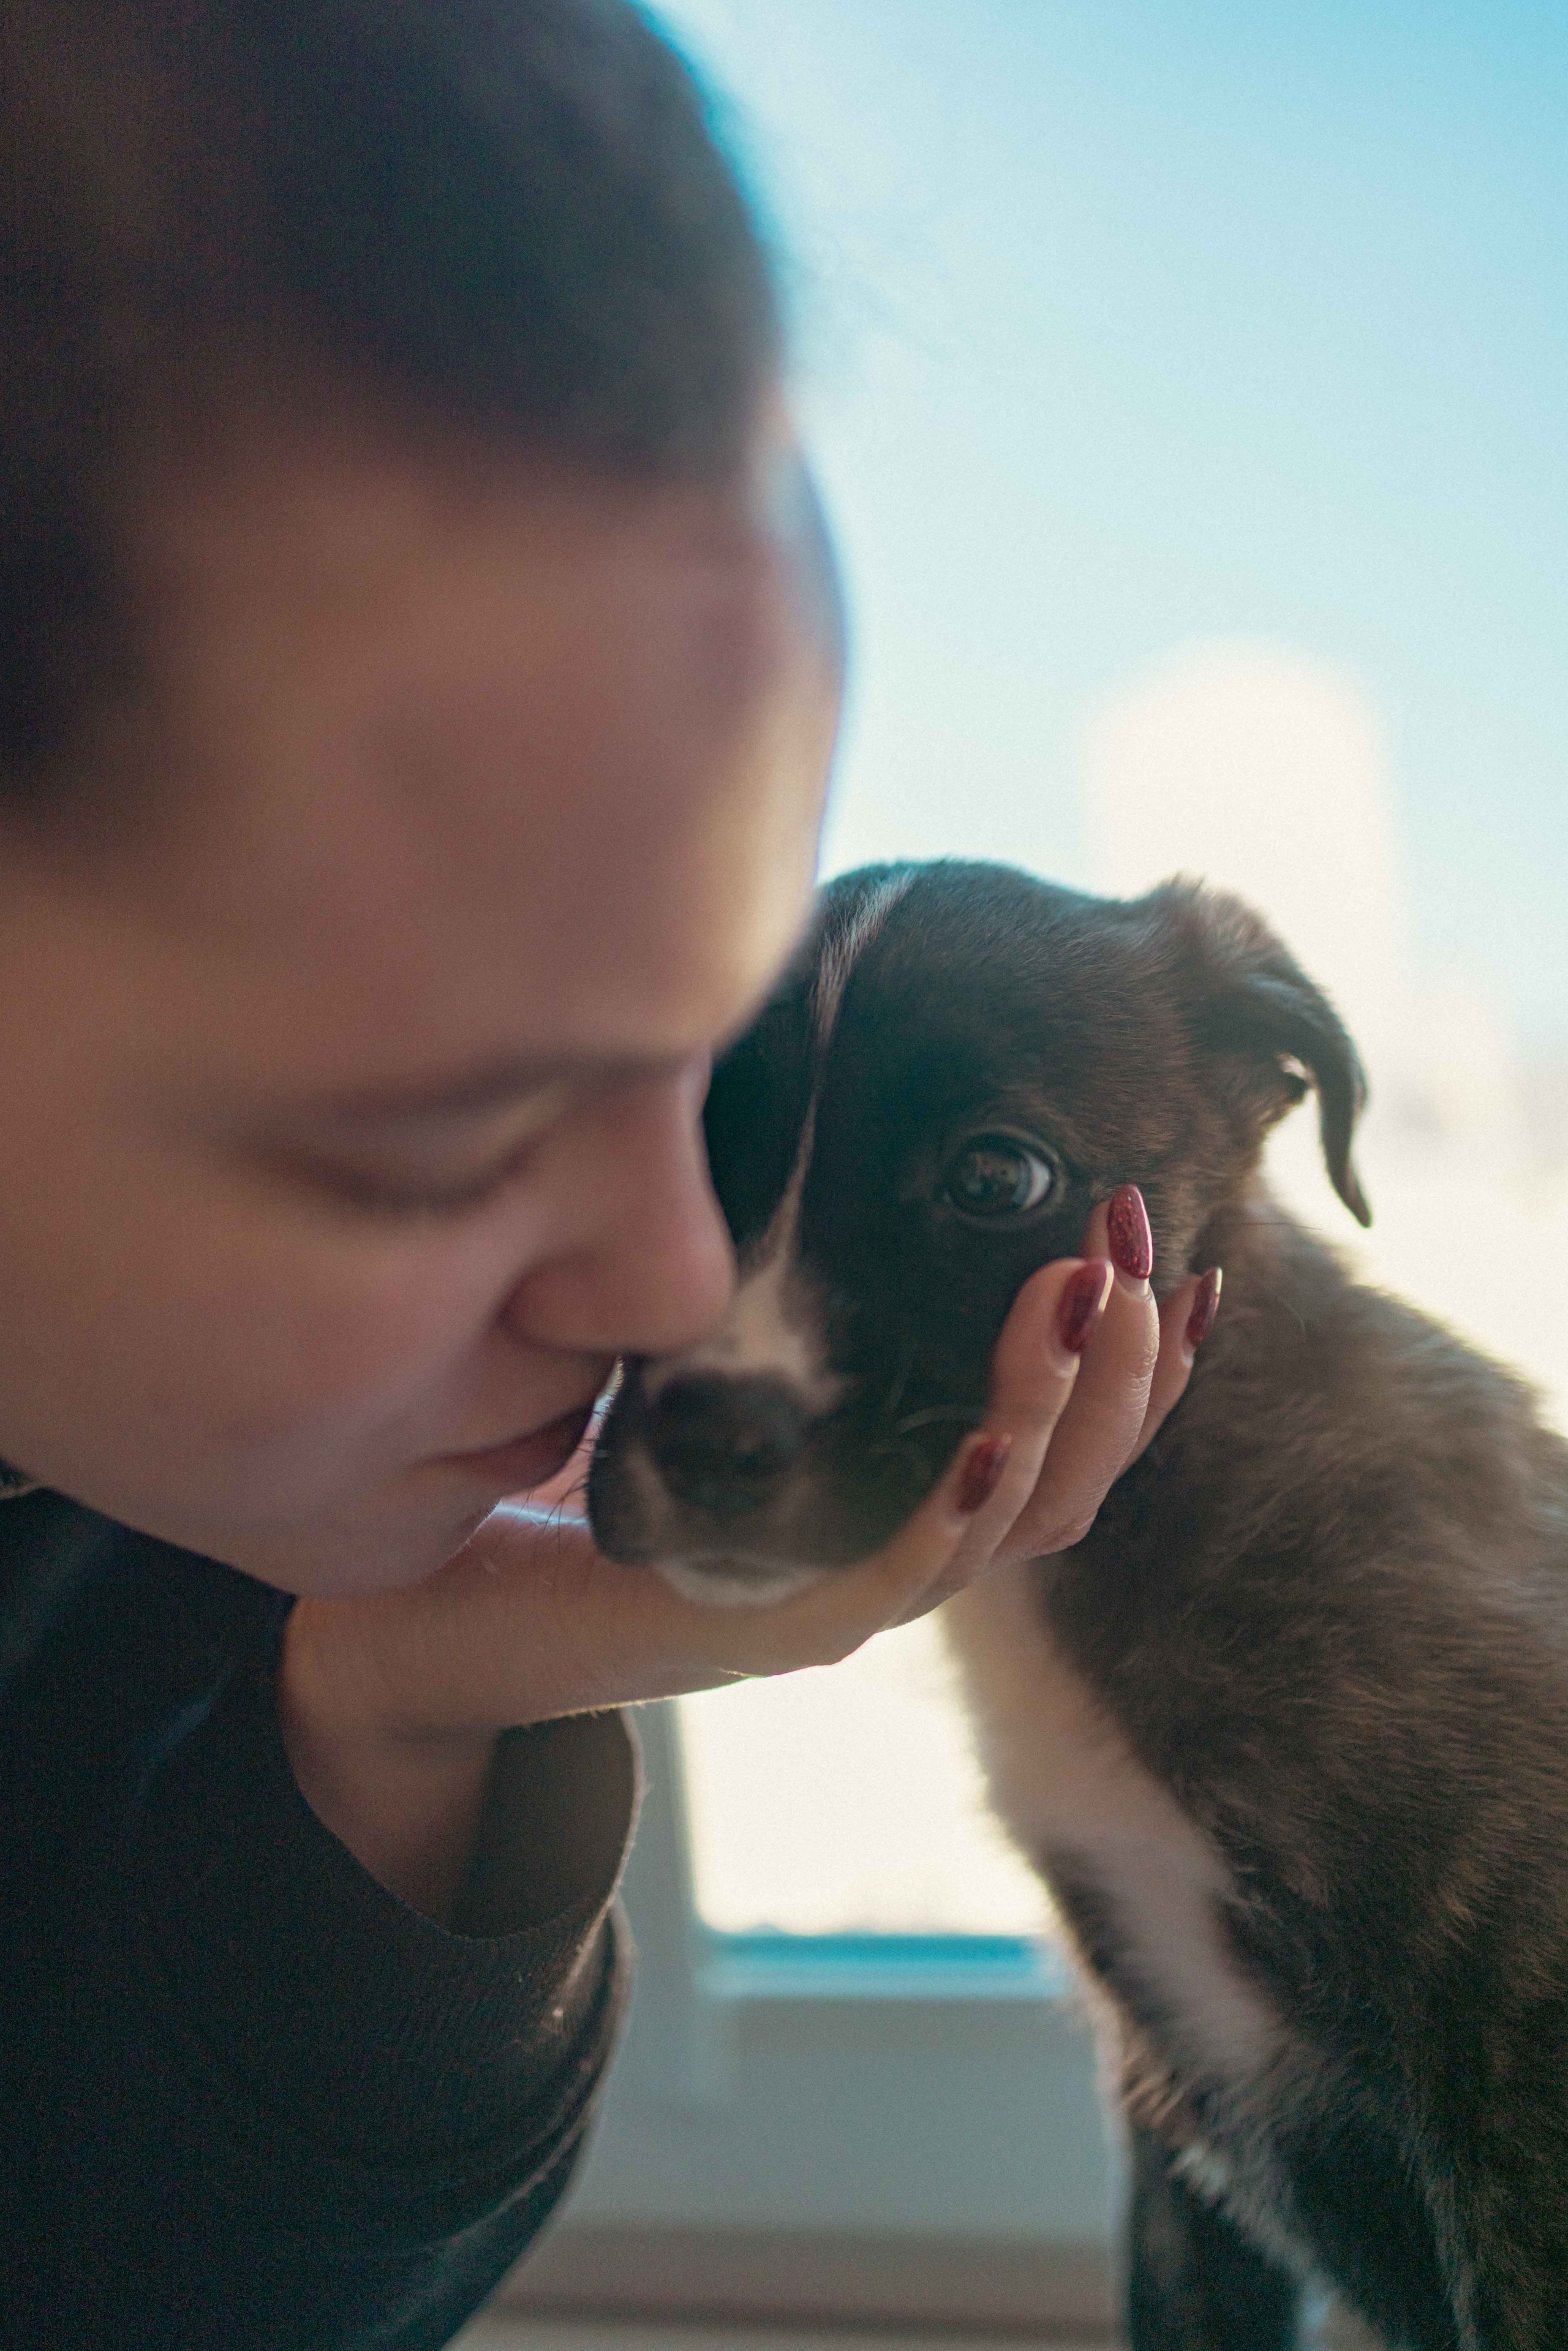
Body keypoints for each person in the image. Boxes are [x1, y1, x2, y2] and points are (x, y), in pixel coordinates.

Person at [0, 2, 1206, 2342]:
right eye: (443, 1143)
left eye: (703, 1089)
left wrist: (403, 1715)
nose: (669, 1287)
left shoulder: (220, 1489)